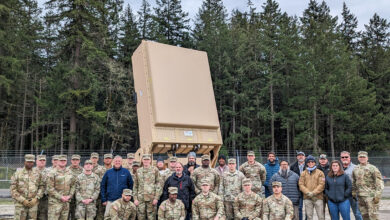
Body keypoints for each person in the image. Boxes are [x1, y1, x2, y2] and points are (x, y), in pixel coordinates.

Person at [10, 154, 44, 220]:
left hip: (33, 204)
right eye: (28, 162)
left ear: (33, 162)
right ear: (24, 162)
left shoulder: (38, 173)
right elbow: (13, 189)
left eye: (31, 162)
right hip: (20, 205)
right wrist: (23, 200)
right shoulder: (17, 173)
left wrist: (36, 198)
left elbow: (41, 187)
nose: (30, 163)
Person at [352, 151, 384, 220]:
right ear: (358, 158)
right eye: (360, 157)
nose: (362, 158)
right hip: (360, 197)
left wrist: (378, 195)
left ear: (367, 158)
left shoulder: (373, 168)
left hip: (371, 197)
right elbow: (354, 181)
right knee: (365, 216)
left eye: (364, 157)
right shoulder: (356, 169)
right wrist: (353, 192)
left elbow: (379, 182)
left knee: (373, 217)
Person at [47, 155, 76, 220]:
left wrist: (70, 195)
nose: (63, 162)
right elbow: (49, 188)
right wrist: (60, 197)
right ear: (57, 161)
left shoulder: (70, 172)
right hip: (55, 203)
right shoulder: (52, 173)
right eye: (61, 160)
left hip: (66, 202)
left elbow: (73, 185)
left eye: (64, 160)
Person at [133, 154, 162, 219]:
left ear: (150, 160)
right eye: (144, 159)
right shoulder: (138, 171)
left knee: (151, 218)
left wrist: (156, 198)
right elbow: (135, 186)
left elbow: (158, 184)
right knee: (140, 217)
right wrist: (135, 199)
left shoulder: (155, 170)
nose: (146, 161)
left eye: (148, 159)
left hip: (151, 199)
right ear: (142, 160)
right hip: (140, 199)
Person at [298, 155, 325, 220]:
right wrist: (307, 192)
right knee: (309, 217)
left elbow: (321, 184)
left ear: (315, 163)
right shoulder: (303, 173)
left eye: (312, 162)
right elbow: (301, 184)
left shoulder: (320, 173)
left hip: (318, 198)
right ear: (307, 163)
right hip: (307, 198)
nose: (311, 163)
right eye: (309, 162)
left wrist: (313, 193)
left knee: (321, 216)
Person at [340, 151, 363, 220]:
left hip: (354, 195)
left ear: (350, 158)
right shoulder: (338, 168)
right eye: (342, 157)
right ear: (341, 159)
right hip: (343, 195)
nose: (344, 158)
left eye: (346, 157)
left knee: (358, 214)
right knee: (345, 214)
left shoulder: (356, 168)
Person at [66, 154, 83, 220]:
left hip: (79, 196)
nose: (75, 161)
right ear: (71, 161)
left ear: (79, 161)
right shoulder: (66, 170)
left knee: (76, 214)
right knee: (66, 214)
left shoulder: (83, 170)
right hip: (69, 195)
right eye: (73, 160)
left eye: (77, 160)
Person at [290, 151, 306, 220]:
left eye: (302, 155)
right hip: (297, 190)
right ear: (297, 157)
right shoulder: (293, 166)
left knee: (308, 208)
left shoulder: (309, 165)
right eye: (299, 155)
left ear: (304, 157)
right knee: (299, 207)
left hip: (307, 189)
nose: (300, 157)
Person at [90, 152, 105, 220]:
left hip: (99, 194)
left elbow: (103, 181)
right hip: (89, 195)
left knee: (99, 214)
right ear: (90, 158)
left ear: (98, 159)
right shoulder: (86, 168)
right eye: (93, 158)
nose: (94, 159)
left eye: (95, 158)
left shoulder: (102, 169)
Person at [35, 155, 49, 220]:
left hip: (45, 198)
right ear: (36, 161)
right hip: (34, 198)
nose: (42, 162)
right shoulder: (32, 171)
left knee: (43, 216)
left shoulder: (50, 172)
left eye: (44, 160)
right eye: (40, 160)